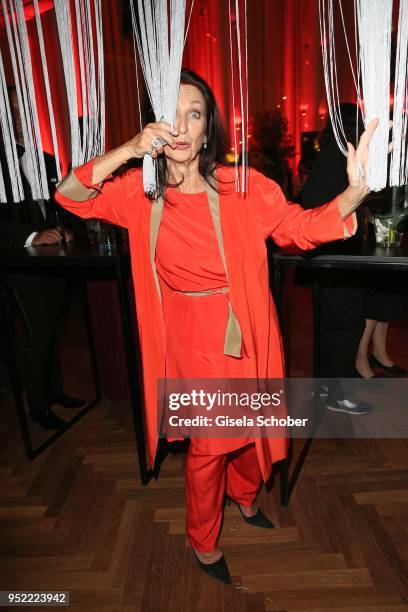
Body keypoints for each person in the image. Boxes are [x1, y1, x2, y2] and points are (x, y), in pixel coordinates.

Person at [54, 69, 376, 583]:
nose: (181, 128)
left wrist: (350, 198)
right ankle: (203, 540)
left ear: (209, 129)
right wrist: (126, 151)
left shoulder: (241, 187)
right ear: (153, 125)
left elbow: (296, 227)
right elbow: (70, 195)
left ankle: (245, 497)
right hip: (187, 340)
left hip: (245, 332)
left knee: (251, 433)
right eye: (172, 114)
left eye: (195, 114)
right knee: (209, 446)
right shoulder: (140, 194)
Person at [0, 86, 85, 429]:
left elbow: (54, 203)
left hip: (52, 258)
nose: (22, 119)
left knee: (54, 329)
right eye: (15, 113)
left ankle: (55, 392)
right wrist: (33, 236)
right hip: (18, 262)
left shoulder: (40, 156)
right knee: (40, 332)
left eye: (24, 112)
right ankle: (38, 406)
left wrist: (62, 229)